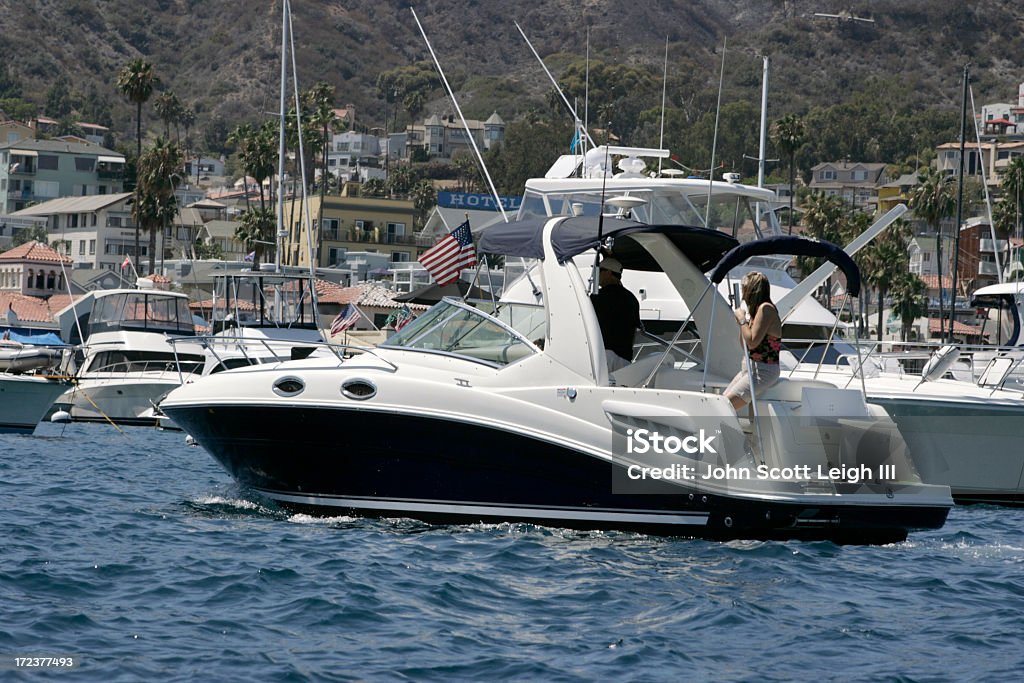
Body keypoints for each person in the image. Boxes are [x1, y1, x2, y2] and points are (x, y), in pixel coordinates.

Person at [724, 271, 783, 410]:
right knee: (721, 402)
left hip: (763, 371)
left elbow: (752, 342)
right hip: (751, 368)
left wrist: (742, 320)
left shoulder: (766, 308)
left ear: (751, 289)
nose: (743, 293)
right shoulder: (757, 311)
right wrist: (743, 323)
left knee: (725, 405)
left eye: (744, 288)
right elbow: (744, 344)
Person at [590, 256, 640, 372]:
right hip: (624, 360)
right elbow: (634, 331)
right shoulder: (631, 299)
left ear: (608, 273)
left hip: (604, 356)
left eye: (599, 270)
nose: (596, 275)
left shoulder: (597, 297)